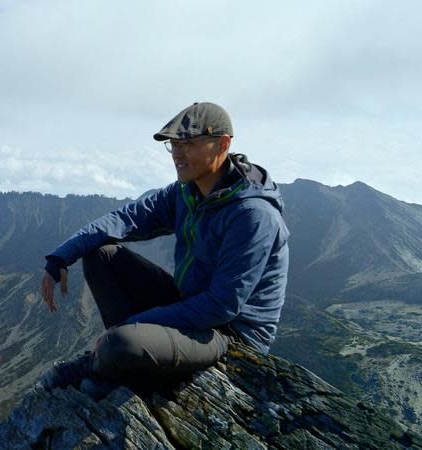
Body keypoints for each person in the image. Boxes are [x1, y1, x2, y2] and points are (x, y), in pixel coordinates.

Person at [37, 102, 289, 396]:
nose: (178, 154)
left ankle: (112, 359)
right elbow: (126, 218)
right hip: (193, 303)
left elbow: (221, 306)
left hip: (230, 333)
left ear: (223, 144)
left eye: (189, 144)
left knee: (123, 342)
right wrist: (61, 256)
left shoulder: (252, 214)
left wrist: (133, 325)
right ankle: (123, 358)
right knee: (101, 256)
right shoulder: (187, 191)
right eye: (174, 145)